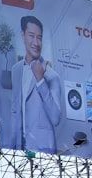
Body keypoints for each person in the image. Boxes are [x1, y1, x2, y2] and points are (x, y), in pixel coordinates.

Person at [10, 15, 61, 154]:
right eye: (31, 36)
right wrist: (13, 145)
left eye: (39, 37)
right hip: (21, 147)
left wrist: (40, 80)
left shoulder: (52, 76)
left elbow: (56, 118)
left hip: (44, 149)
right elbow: (15, 110)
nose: (36, 42)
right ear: (23, 35)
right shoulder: (16, 70)